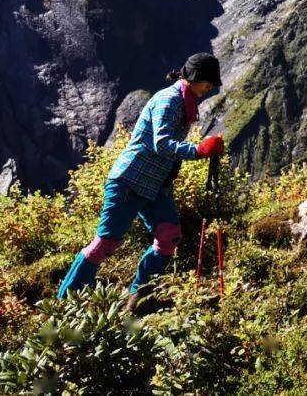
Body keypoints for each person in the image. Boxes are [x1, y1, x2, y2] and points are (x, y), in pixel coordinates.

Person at [58, 53, 226, 306]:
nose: (210, 88)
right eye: (207, 82)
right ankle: (65, 303)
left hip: (156, 186)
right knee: (105, 243)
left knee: (169, 237)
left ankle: (138, 297)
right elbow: (162, 143)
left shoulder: (185, 101)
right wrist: (198, 150)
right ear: (193, 79)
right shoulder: (169, 101)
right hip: (130, 180)